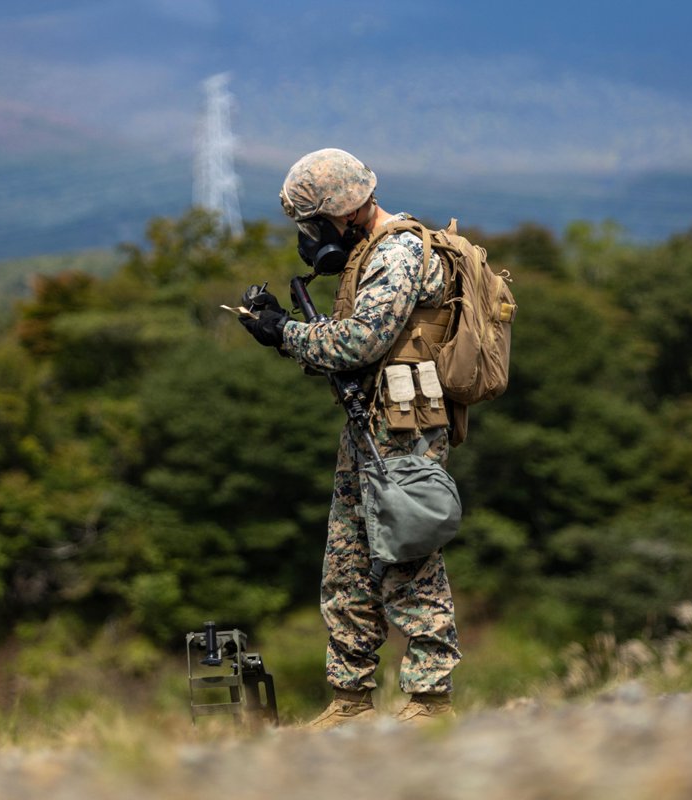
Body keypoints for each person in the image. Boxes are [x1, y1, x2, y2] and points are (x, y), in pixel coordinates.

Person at [239, 148, 461, 728]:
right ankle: (350, 699)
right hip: (370, 424)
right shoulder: (368, 253)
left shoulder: (400, 252)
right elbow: (355, 343)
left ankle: (430, 701)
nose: (310, 239)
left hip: (405, 429)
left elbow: (361, 343)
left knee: (409, 554)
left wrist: (285, 333)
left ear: (338, 215)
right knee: (348, 561)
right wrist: (283, 323)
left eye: (311, 225)